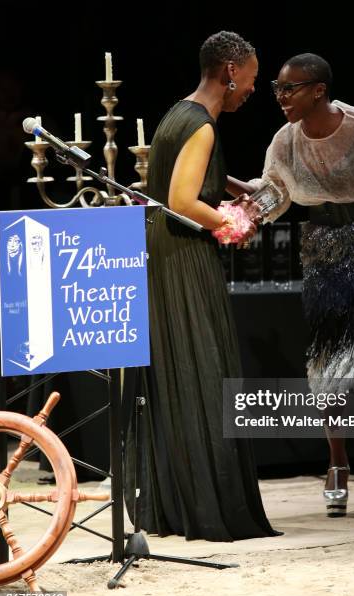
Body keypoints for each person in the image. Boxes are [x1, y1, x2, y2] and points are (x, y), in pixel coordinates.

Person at [228, 53, 354, 519]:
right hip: (321, 246)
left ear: (318, 89)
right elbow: (274, 192)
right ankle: (337, 463)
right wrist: (242, 205)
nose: (280, 98)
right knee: (328, 361)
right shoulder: (286, 139)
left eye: (289, 89)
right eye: (277, 89)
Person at [124, 31, 278, 541]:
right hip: (185, 258)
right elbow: (183, 200)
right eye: (251, 80)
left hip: (164, 255)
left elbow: (178, 177)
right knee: (204, 371)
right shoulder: (203, 127)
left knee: (183, 372)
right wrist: (233, 223)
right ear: (230, 71)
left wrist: (235, 187)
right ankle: (210, 507)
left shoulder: (179, 114)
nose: (252, 90)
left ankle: (175, 502)